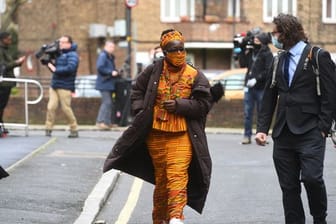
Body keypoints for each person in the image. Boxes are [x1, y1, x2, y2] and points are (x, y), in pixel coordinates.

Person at [103, 29, 221, 224]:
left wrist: (180, 105)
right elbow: (137, 91)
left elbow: (204, 105)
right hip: (155, 135)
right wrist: (141, 111)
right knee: (163, 181)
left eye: (182, 49)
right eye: (174, 50)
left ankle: (176, 218)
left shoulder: (195, 75)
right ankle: (160, 220)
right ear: (164, 53)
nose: (179, 54)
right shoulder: (153, 70)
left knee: (177, 175)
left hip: (182, 134)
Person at [255, 14, 336, 224]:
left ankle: (320, 218)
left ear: (287, 33)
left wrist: (324, 127)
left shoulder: (318, 56)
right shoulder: (278, 60)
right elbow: (269, 96)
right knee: (288, 186)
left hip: (311, 131)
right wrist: (262, 128)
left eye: (276, 33)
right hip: (283, 133)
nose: (273, 37)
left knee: (312, 178)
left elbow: (331, 95)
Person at [238, 31, 273, 144]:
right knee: (248, 113)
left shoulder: (267, 53)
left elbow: (268, 70)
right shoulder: (251, 51)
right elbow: (243, 63)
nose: (255, 39)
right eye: (255, 38)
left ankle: (261, 135)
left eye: (258, 38)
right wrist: (241, 49)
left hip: (261, 88)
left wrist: (257, 79)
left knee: (261, 113)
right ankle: (247, 136)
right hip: (249, 88)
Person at [45, 35, 79, 138]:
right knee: (50, 107)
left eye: (63, 42)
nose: (61, 44)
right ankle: (48, 128)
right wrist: (49, 64)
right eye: (60, 42)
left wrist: (55, 70)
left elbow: (71, 68)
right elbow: (55, 69)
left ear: (69, 43)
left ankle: (74, 129)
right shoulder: (59, 54)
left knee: (66, 109)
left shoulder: (73, 55)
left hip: (65, 86)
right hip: (55, 84)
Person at [0, 31, 26, 137]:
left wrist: (17, 63)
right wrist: (17, 63)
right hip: (3, 83)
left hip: (7, 83)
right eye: (8, 39)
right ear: (3, 39)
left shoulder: (5, 50)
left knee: (2, 106)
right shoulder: (1, 51)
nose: (10, 41)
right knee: (1, 106)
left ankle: (2, 127)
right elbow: (3, 66)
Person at [95, 40, 119, 130]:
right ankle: (100, 122)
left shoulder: (110, 57)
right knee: (106, 102)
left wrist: (115, 71)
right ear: (105, 47)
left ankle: (107, 122)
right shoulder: (103, 56)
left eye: (113, 47)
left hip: (109, 83)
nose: (112, 49)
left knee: (110, 103)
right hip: (104, 83)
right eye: (110, 47)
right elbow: (100, 67)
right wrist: (111, 72)